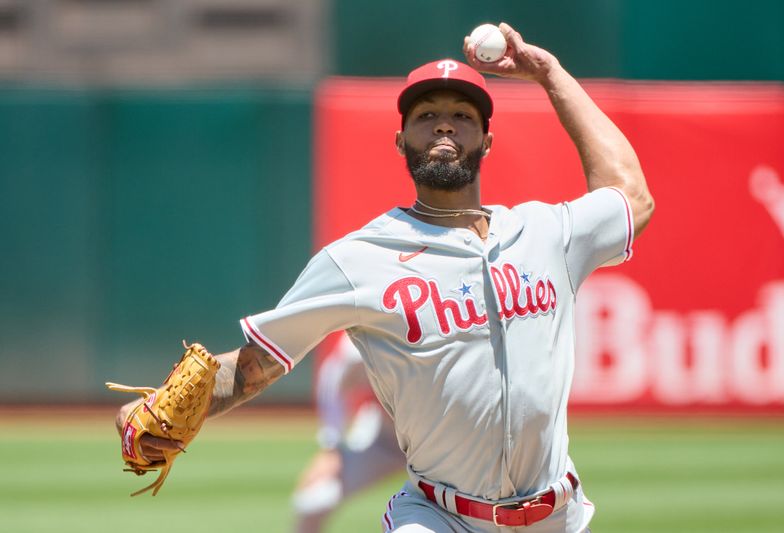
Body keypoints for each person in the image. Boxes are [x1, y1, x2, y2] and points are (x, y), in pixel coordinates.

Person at [116, 22, 654, 532]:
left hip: (559, 514)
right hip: (439, 515)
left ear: (487, 141)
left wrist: (549, 72)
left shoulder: (544, 234)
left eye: (463, 115)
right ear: (400, 141)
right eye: (426, 115)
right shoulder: (357, 259)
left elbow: (630, 195)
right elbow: (255, 366)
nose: (444, 123)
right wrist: (156, 408)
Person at [292, 333, 405, 533]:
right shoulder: (370, 333)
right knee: (314, 497)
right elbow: (334, 375)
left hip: (440, 446)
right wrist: (331, 446)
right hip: (384, 438)